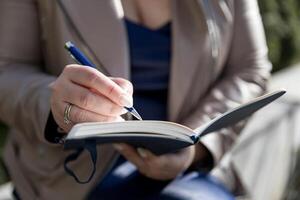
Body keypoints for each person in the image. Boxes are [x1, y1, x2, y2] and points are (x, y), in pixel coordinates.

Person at [0, 0, 271, 199]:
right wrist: (56, 103)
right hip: (71, 175)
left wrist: (194, 147)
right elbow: (6, 71)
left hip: (191, 169)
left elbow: (250, 70)